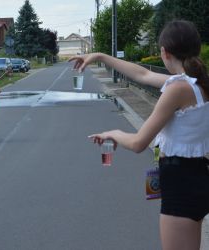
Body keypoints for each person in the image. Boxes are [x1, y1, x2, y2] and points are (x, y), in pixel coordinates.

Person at [69, 20, 209, 250]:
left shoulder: (178, 89)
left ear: (164, 52)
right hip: (196, 178)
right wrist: (100, 56)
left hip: (181, 186)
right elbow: (142, 74)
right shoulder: (197, 85)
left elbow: (137, 143)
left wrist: (112, 133)